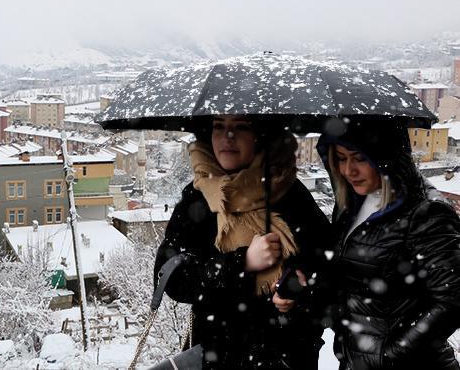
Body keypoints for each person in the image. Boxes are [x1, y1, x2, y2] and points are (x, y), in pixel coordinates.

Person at [154, 115, 330, 369]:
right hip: (220, 356)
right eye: (218, 127)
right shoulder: (198, 199)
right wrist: (242, 262)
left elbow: (327, 267)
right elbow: (172, 278)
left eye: (241, 126)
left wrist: (298, 287)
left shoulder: (290, 194)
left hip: (287, 357)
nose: (228, 137)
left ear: (261, 134)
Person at [315, 121, 460, 370]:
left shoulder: (426, 212)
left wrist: (391, 355)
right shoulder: (351, 205)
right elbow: (351, 277)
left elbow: (452, 299)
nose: (348, 170)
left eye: (359, 158)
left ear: (385, 157)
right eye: (340, 158)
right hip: (355, 360)